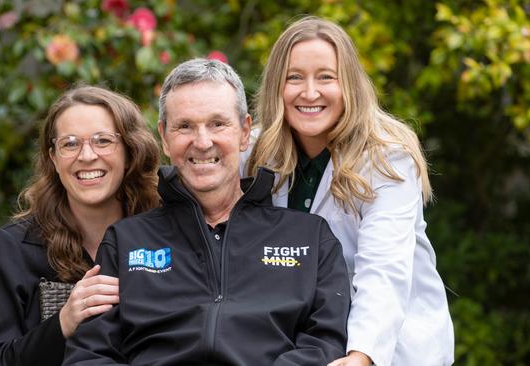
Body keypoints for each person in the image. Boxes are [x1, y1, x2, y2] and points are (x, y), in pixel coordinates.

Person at [64, 58, 351, 366]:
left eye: (217, 124)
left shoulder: (309, 237)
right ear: (164, 136)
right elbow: (89, 356)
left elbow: (326, 343)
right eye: (185, 126)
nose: (202, 142)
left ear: (244, 132)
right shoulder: (126, 241)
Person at [244, 16, 454, 366]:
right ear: (276, 87)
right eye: (294, 77)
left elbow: (383, 269)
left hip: (391, 346)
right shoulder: (255, 153)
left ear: (349, 85)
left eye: (326, 77)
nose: (309, 92)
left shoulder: (388, 157)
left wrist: (362, 354)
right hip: (303, 344)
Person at [0, 85, 161, 366]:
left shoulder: (165, 237)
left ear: (130, 151)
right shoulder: (15, 248)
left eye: (103, 141)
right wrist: (62, 324)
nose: (86, 156)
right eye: (70, 143)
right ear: (53, 158)